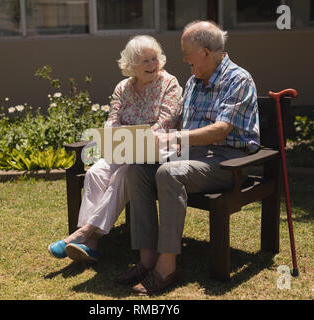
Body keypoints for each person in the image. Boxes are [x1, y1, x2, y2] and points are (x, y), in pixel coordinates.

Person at [116, 21, 260, 295]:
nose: (183, 59)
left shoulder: (238, 79)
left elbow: (221, 129)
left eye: (187, 52)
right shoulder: (194, 81)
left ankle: (167, 267)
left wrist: (177, 139)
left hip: (228, 160)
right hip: (190, 155)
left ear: (205, 52)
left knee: (169, 174)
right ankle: (147, 260)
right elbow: (179, 122)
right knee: (138, 169)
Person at [48, 35, 183, 263]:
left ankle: (83, 233)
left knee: (122, 174)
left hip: (157, 153)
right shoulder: (123, 87)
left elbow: (165, 123)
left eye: (154, 58)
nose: (152, 64)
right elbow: (111, 121)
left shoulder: (169, 84)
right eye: (145, 61)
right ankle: (90, 244)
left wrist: (133, 142)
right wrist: (121, 140)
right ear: (132, 66)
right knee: (95, 173)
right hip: (124, 149)